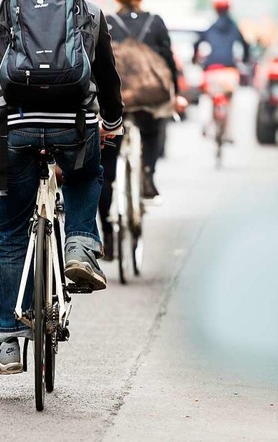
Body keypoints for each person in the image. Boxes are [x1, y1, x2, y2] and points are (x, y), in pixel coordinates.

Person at [0, 1, 124, 374]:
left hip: (17, 127)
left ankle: (5, 340)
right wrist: (112, 120)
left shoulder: (0, 10)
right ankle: (79, 244)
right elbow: (107, 75)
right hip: (75, 126)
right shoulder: (89, 11)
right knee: (86, 174)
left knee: (9, 232)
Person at [99, 0, 184, 260]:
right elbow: (168, 62)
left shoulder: (107, 21)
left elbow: (98, 62)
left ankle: (108, 237)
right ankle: (147, 170)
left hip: (117, 100)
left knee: (106, 169)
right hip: (149, 97)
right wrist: (176, 95)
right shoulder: (155, 22)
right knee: (154, 129)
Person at [193, 0, 250, 70]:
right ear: (228, 9)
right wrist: (245, 59)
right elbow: (245, 45)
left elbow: (196, 43)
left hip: (212, 66)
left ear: (216, 10)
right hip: (229, 66)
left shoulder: (212, 28)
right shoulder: (233, 28)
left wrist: (194, 59)